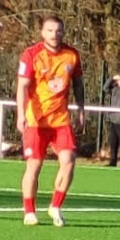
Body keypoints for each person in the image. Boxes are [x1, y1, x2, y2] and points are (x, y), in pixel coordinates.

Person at [17, 14, 83, 224]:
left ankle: (55, 207)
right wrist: (20, 114)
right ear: (42, 33)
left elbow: (78, 84)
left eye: (58, 30)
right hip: (35, 121)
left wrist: (81, 109)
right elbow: (22, 86)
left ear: (63, 32)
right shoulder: (31, 54)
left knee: (69, 161)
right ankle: (29, 211)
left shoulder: (71, 55)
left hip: (60, 121)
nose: (55, 34)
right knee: (34, 165)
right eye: (50, 30)